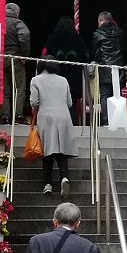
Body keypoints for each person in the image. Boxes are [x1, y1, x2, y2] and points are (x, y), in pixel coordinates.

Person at [29, 60, 77, 197]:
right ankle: (65, 178)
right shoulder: (63, 80)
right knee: (62, 152)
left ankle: (48, 184)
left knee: (47, 151)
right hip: (63, 117)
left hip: (46, 117)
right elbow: (69, 102)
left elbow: (34, 102)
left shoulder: (36, 80)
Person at [43, 15, 90, 123]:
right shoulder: (78, 39)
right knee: (71, 99)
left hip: (55, 73)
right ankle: (70, 121)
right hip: (74, 74)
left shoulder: (52, 38)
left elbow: (44, 54)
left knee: (54, 99)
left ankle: (55, 121)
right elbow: (86, 55)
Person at [91, 11, 125, 123]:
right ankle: (118, 121)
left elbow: (95, 52)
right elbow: (125, 50)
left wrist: (96, 61)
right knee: (117, 95)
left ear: (102, 20)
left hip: (104, 68)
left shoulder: (98, 33)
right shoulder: (120, 32)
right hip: (119, 68)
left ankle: (106, 122)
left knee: (105, 95)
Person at [0, 2, 31, 122]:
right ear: (16, 12)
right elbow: (24, 36)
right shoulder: (18, 23)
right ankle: (18, 116)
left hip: (0, 59)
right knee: (19, 88)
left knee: (4, 89)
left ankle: (5, 117)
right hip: (15, 59)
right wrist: (24, 56)